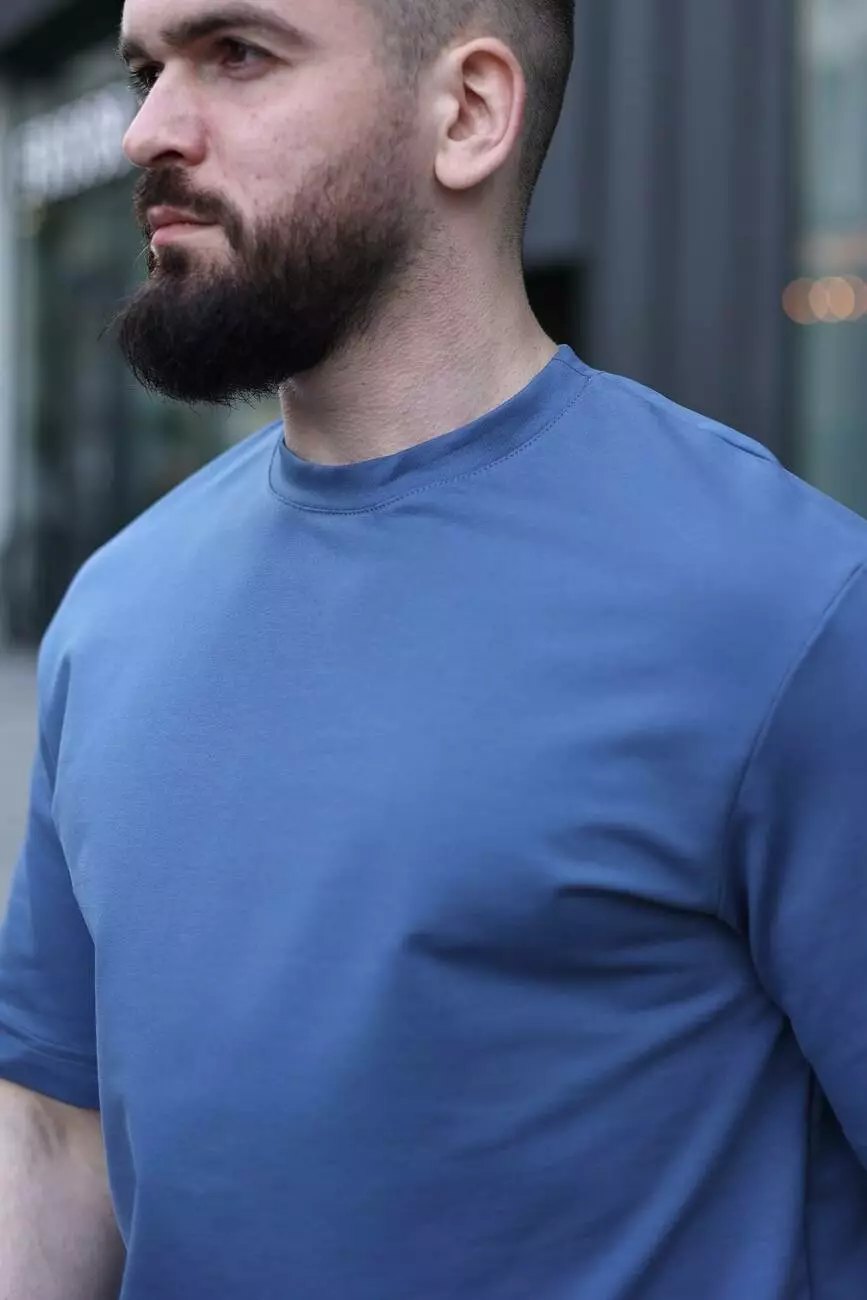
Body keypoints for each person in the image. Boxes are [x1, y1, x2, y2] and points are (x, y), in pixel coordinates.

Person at [1, 0, 867, 1295]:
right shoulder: (113, 610)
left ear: (466, 112)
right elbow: (57, 1130)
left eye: (237, 55)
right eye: (144, 70)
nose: (147, 131)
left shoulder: (787, 610)